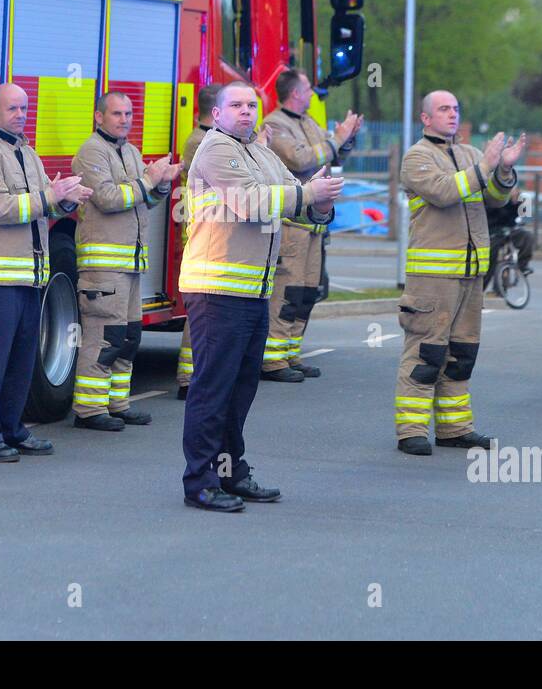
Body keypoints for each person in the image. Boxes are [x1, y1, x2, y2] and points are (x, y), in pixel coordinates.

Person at [180, 81, 342, 511]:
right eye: (235, 105)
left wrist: (320, 204)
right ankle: (199, 481)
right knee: (213, 390)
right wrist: (308, 194)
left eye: (252, 105)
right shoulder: (215, 150)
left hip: (252, 291)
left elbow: (299, 203)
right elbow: (250, 203)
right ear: (216, 114)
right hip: (217, 289)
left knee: (239, 390)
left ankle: (232, 474)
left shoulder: (263, 153)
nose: (246, 112)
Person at [0, 82, 92, 461]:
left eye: (24, 108)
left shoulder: (28, 154)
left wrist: (64, 199)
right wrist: (49, 197)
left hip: (31, 277)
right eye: (13, 109)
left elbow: (42, 207)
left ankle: (13, 429)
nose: (20, 115)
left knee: (22, 360)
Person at [393, 90, 525, 456]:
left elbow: (496, 199)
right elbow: (445, 191)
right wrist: (487, 167)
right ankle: (411, 430)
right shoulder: (417, 156)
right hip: (433, 276)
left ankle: (454, 429)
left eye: (456, 108)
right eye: (444, 109)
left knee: (462, 352)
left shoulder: (469, 154)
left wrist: (504, 169)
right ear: (425, 118)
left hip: (471, 274)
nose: (452, 114)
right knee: (426, 352)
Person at [70, 92, 179, 430]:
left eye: (129, 113)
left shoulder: (130, 151)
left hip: (130, 265)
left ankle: (117, 403)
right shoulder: (91, 152)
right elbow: (108, 198)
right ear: (98, 117)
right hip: (104, 267)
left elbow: (142, 199)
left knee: (129, 336)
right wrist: (149, 179)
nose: (124, 119)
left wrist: (161, 185)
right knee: (105, 335)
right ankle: (89, 411)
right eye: (117, 113)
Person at [259, 69, 363, 382]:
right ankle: (272, 360)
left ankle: (290, 353)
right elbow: (302, 159)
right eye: (308, 89)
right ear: (294, 92)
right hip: (294, 223)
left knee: (305, 293)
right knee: (287, 291)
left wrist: (347, 139)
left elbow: (331, 156)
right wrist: (336, 139)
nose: (312, 94)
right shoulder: (275, 124)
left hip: (314, 225)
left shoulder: (307, 122)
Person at [175, 83, 222, 401]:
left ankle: (198, 374)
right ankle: (188, 377)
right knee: (200, 316)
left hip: (211, 233)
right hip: (202, 236)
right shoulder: (201, 142)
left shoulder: (206, 139)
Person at [483, 186, 534, 292]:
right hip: (494, 230)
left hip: (509, 229)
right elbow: (496, 214)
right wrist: (508, 201)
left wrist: (517, 203)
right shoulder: (492, 197)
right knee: (492, 254)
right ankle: (482, 287)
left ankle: (522, 267)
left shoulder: (516, 199)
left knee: (527, 236)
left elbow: (520, 215)